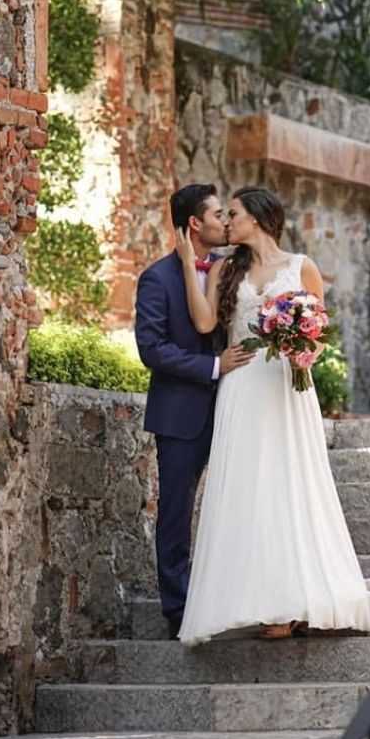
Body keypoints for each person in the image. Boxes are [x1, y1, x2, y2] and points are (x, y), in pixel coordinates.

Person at [174, 185, 370, 644]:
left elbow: (318, 334)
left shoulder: (301, 267)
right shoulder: (224, 269)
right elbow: (205, 323)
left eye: (233, 213)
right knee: (246, 488)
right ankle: (252, 599)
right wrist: (188, 267)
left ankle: (295, 602)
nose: (226, 222)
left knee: (290, 484)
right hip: (241, 386)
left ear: (256, 217)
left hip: (287, 387)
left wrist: (298, 348)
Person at [135, 184, 256, 639]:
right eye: (217, 214)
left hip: (235, 406)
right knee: (176, 511)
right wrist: (213, 366)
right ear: (194, 224)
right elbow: (152, 349)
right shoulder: (157, 278)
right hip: (181, 414)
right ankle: (178, 609)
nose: (225, 221)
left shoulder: (234, 270)